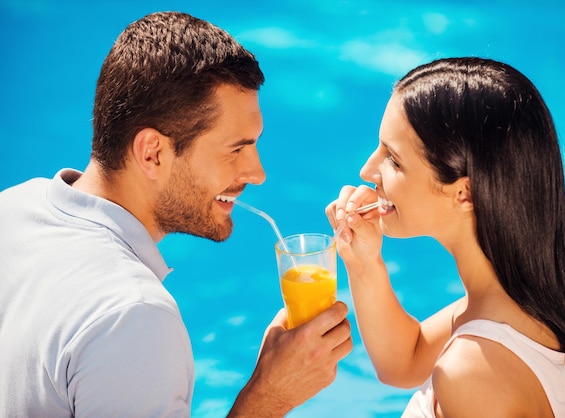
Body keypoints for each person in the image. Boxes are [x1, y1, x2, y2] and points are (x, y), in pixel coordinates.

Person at [0, 11, 352, 418]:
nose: (257, 174)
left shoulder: (13, 206)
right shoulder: (133, 318)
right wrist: (268, 398)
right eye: (236, 149)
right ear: (153, 153)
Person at [326, 57, 565, 417]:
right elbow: (405, 361)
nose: (367, 170)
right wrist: (363, 262)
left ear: (464, 193)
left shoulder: (472, 372)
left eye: (394, 159)